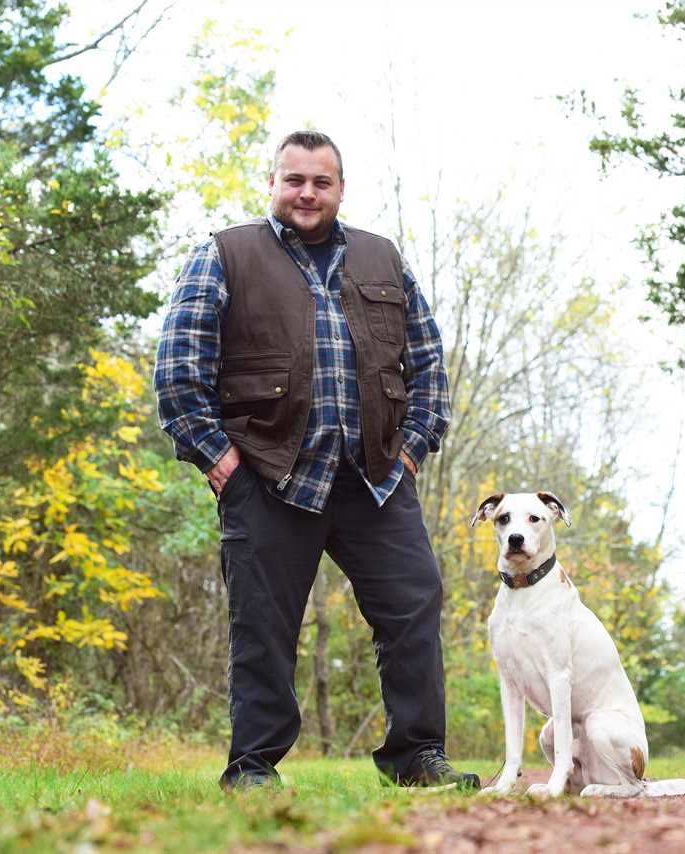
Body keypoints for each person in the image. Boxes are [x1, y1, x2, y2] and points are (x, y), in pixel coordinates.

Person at [154, 129, 476, 791]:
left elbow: (428, 368)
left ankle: (417, 758)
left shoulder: (382, 259)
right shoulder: (225, 254)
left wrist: (411, 454)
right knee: (263, 629)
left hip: (376, 480)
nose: (306, 192)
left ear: (339, 189)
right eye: (293, 180)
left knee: (414, 606)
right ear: (272, 183)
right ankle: (253, 768)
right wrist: (222, 464)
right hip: (269, 478)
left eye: (320, 182)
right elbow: (179, 373)